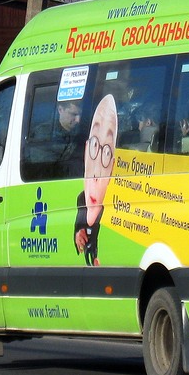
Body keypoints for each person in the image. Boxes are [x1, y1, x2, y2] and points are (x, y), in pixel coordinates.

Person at [74, 94, 117, 266]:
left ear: (113, 167)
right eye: (94, 147)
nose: (96, 174)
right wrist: (79, 236)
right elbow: (78, 229)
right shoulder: (80, 200)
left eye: (106, 153)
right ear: (85, 151)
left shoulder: (114, 211)